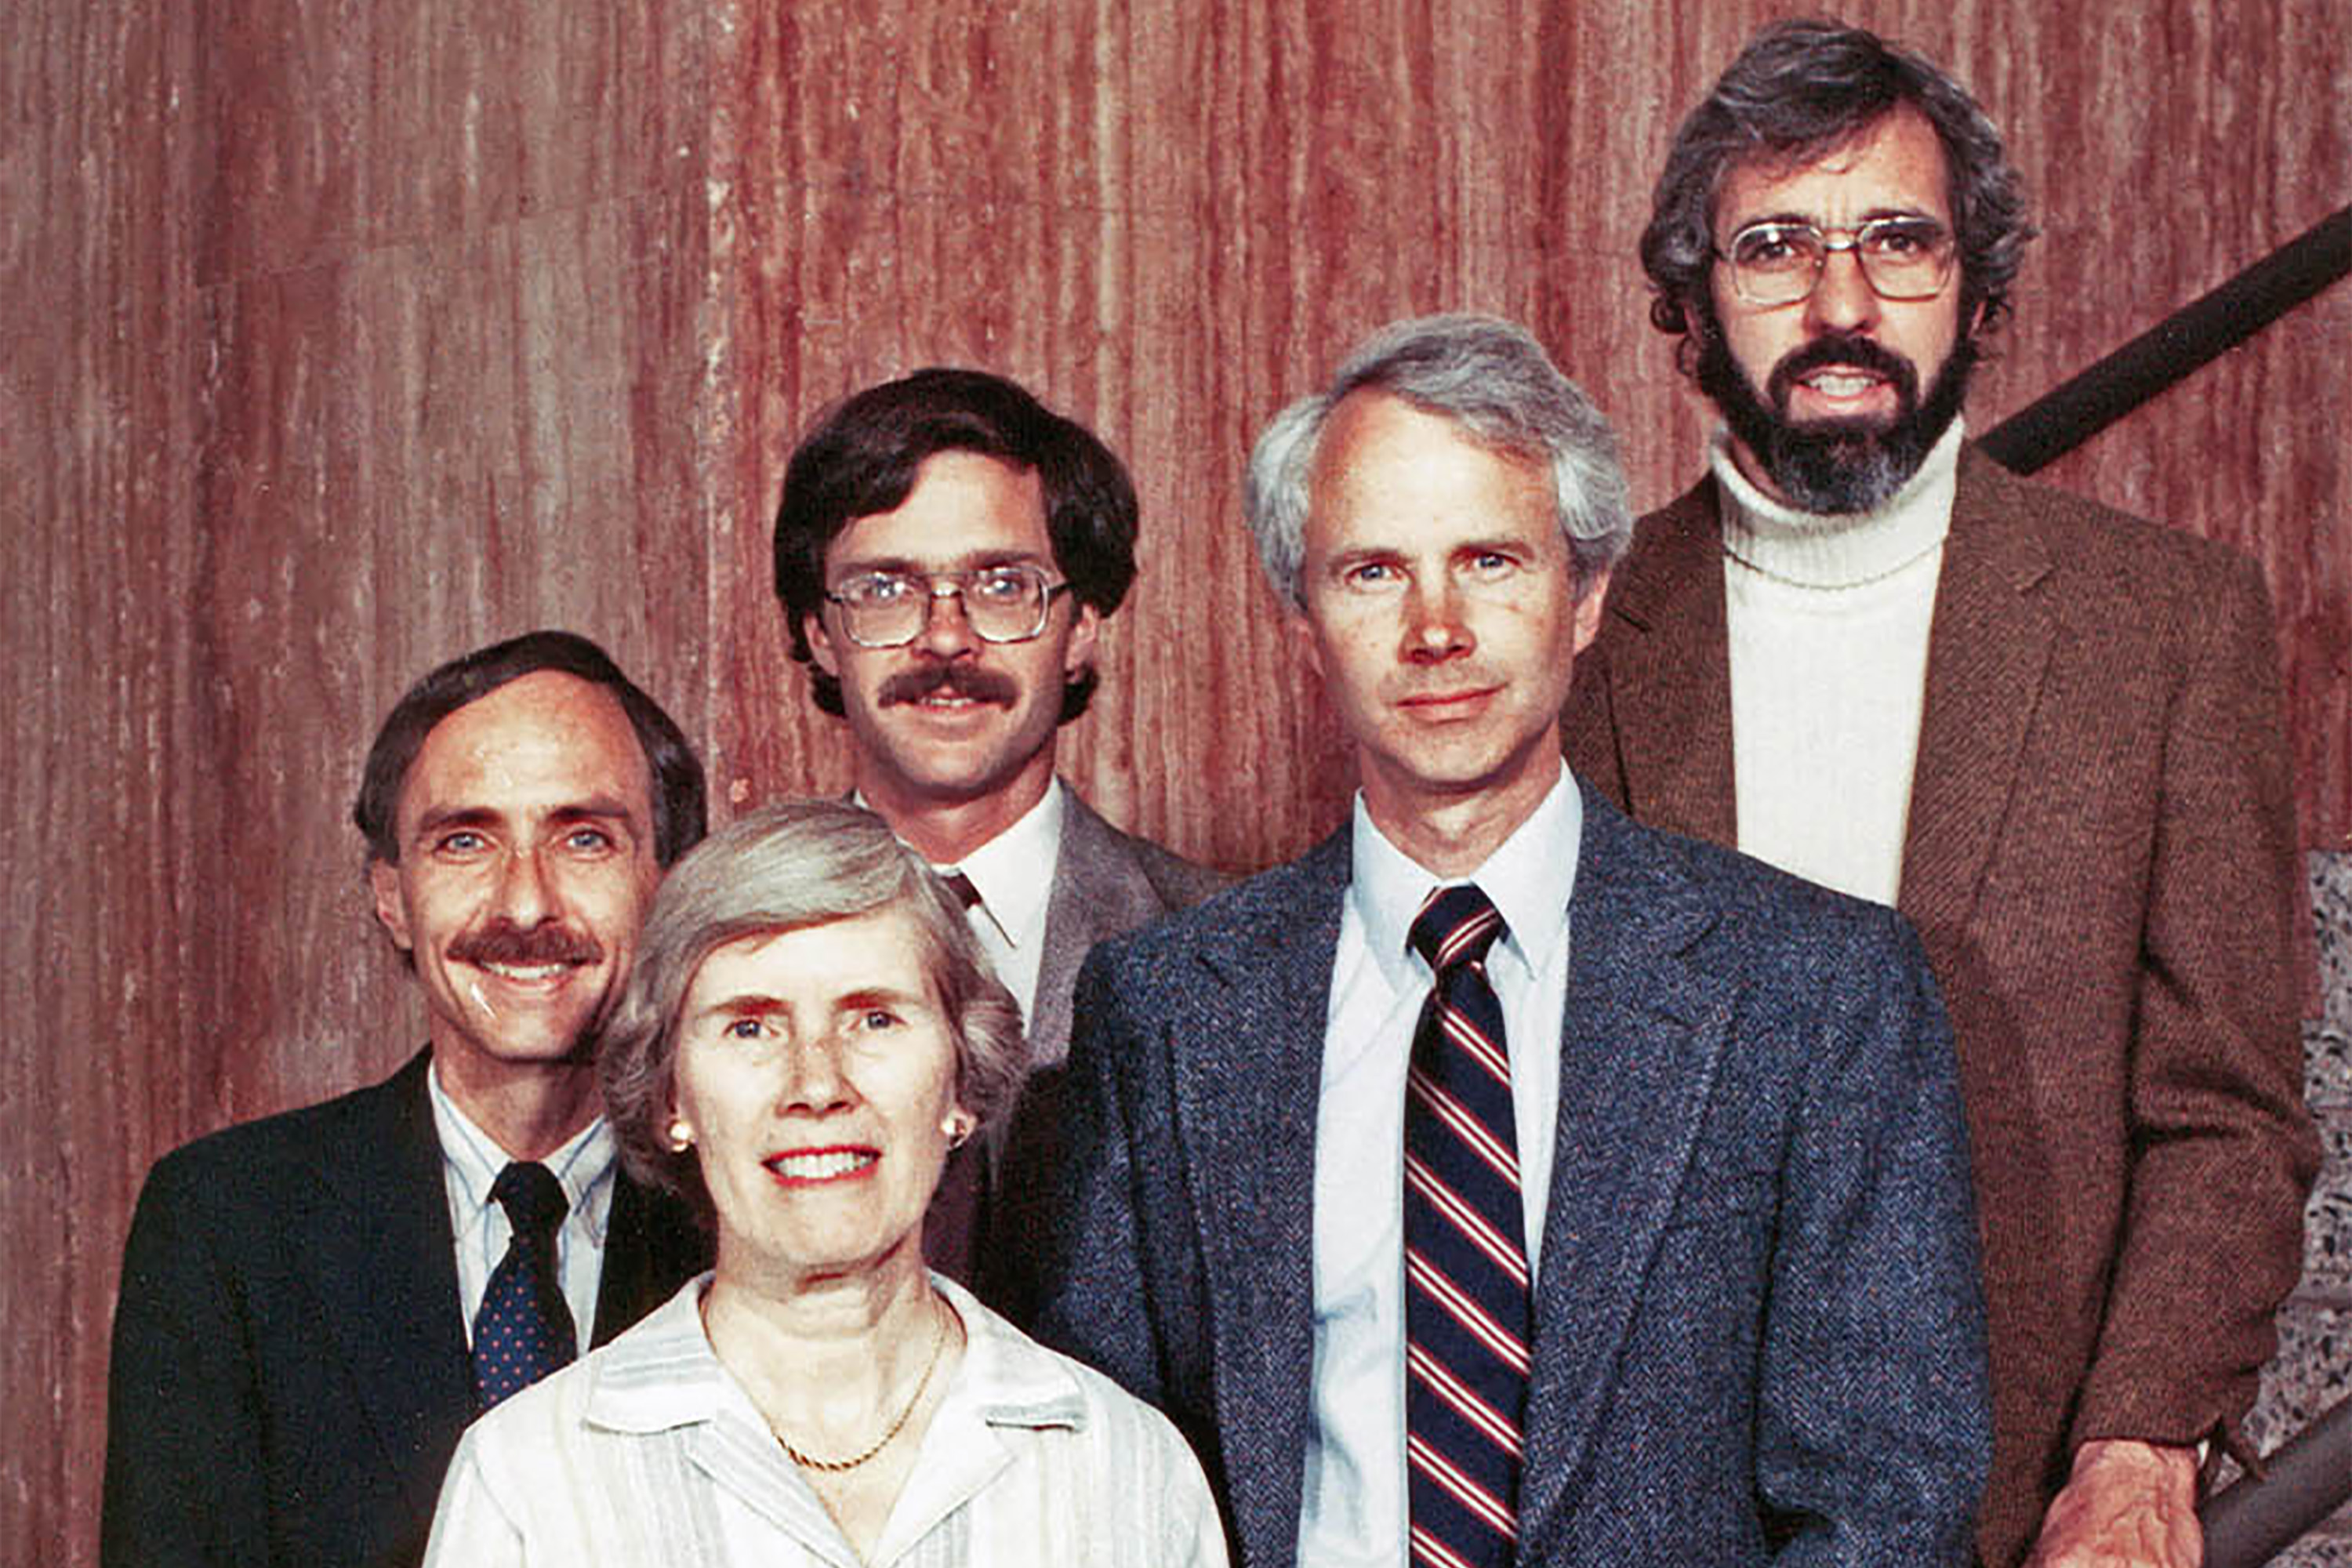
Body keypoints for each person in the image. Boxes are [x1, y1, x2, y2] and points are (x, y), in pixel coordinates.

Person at [1034, 314, 1990, 1566]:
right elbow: (1104, 1480)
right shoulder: (1163, 1010)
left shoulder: (1819, 995)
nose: (1436, 626)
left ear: (1586, 595)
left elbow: (1890, 1502)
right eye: (1373, 572)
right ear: (1301, 620)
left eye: (1490, 561)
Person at [1559, 21, 2318, 1566]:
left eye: (1898, 241)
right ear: (1690, 308)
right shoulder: (1566, 631)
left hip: (2028, 1511)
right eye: (1775, 247)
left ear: (1977, 292)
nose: (1843, 304)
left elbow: (2228, 1116)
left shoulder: (2168, 622)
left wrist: (2140, 1452)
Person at [420, 799, 1229, 1565]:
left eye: (873, 1017)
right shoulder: (531, 1474)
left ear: (959, 1082)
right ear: (672, 1096)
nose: (817, 1083)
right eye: (750, 1025)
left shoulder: (1123, 1463)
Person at [101, 630, 714, 1568]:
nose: (523, 904)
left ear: (667, 882)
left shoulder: (738, 1216)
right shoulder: (227, 1225)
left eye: (584, 836)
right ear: (390, 894)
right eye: (464, 839)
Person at [771, 367, 1222, 1306]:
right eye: (887, 587)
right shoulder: (713, 946)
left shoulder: (1227, 948)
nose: (946, 641)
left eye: (1003, 585)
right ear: (820, 631)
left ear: (1084, 626)